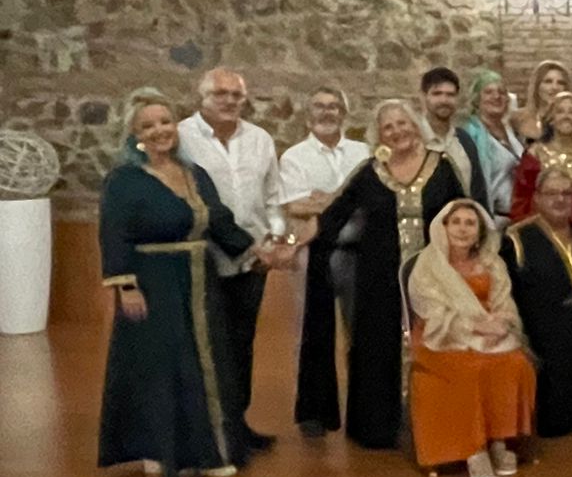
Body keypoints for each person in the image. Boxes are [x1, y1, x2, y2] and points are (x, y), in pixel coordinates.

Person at [99, 90, 255, 477]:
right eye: (148, 126)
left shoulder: (194, 173)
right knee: (160, 366)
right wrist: (126, 286)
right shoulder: (124, 181)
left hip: (200, 282)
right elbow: (114, 234)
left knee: (205, 363)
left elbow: (219, 222)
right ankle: (160, 448)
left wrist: (259, 252)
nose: (159, 131)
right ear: (135, 135)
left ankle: (211, 450)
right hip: (154, 284)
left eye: (165, 122)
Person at [313, 100, 463, 450]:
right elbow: (335, 215)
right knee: (377, 347)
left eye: (402, 123)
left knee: (436, 340)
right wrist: (296, 244)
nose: (397, 131)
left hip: (433, 273)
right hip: (378, 277)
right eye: (388, 127)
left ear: (415, 125)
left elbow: (463, 214)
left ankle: (437, 422)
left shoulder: (442, 167)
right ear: (378, 136)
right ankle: (378, 426)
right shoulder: (370, 172)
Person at [177, 67, 288, 453]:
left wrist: (273, 239)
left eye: (236, 95)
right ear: (202, 96)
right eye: (220, 94)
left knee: (242, 344)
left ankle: (236, 424)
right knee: (204, 345)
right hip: (202, 259)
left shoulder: (260, 139)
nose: (229, 101)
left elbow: (273, 199)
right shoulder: (182, 138)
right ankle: (203, 430)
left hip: (252, 261)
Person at [405, 200, 536, 477]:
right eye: (456, 222)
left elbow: (505, 303)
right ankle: (474, 449)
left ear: (480, 231)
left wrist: (501, 324)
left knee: (515, 363)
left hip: (490, 332)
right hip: (441, 337)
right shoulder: (428, 265)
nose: (462, 229)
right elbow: (431, 312)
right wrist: (473, 327)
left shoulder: (492, 263)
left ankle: (499, 440)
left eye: (470, 223)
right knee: (470, 368)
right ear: (443, 227)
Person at [279, 85, 369, 441]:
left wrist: (325, 199)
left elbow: (370, 200)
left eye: (334, 106)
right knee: (312, 331)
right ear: (308, 114)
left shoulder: (363, 153)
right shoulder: (295, 157)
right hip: (312, 249)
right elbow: (295, 205)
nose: (327, 112)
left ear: (344, 114)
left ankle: (364, 409)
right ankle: (314, 411)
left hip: (359, 250)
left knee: (361, 330)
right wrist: (345, 198)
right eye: (319, 106)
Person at [505, 166, 572, 438]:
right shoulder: (517, 240)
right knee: (555, 423)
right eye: (551, 194)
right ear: (537, 198)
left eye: (566, 194)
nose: (560, 199)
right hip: (542, 338)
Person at [508, 90, 572, 228]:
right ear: (551, 119)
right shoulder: (536, 154)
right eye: (560, 112)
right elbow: (521, 198)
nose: (566, 116)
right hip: (542, 230)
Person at [459, 70, 525, 227]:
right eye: (489, 92)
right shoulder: (470, 134)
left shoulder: (512, 131)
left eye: (501, 92)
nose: (496, 96)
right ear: (477, 99)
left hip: (518, 218)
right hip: (491, 219)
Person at [419, 66, 480, 192]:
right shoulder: (413, 139)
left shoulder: (465, 141)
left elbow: (478, 191)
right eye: (437, 94)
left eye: (450, 95)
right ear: (424, 96)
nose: (444, 100)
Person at [518, 61, 572, 144]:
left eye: (560, 83)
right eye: (548, 81)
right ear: (537, 85)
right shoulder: (518, 119)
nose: (554, 87)